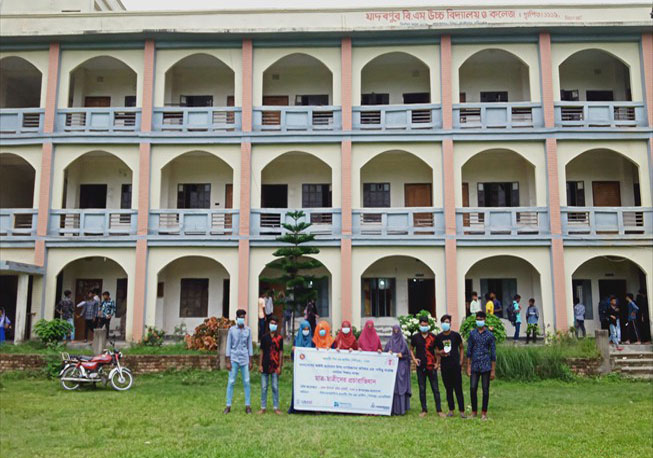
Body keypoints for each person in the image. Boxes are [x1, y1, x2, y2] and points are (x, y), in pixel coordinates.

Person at [409, 316, 444, 418]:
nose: (424, 327)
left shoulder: (433, 337)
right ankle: (424, 409)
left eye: (425, 325)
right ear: (419, 325)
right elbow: (411, 349)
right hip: (421, 367)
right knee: (422, 388)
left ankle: (439, 410)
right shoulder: (415, 337)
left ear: (428, 325)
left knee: (435, 389)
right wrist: (414, 360)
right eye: (422, 325)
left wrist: (438, 363)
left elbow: (438, 351)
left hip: (432, 366)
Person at [466, 311, 496, 420]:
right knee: (473, 388)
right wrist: (468, 366)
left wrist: (493, 370)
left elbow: (493, 353)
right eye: (477, 319)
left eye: (481, 319)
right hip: (474, 365)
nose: (479, 321)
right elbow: (468, 351)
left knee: (485, 389)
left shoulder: (490, 335)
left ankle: (484, 412)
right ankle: (474, 411)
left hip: (486, 365)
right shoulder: (472, 334)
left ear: (485, 320)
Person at [435, 314, 465, 418]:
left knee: (458, 388)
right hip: (445, 366)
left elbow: (461, 348)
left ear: (450, 323)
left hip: (455, 365)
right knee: (448, 389)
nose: (445, 324)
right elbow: (436, 351)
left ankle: (462, 410)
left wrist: (461, 360)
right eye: (443, 322)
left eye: (447, 322)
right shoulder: (439, 337)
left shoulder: (455, 335)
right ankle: (451, 410)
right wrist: (440, 352)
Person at [224, 309, 254, 414]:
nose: (242, 319)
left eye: (243, 317)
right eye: (240, 317)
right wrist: (227, 361)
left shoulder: (248, 330)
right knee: (231, 381)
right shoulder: (232, 330)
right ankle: (228, 405)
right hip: (234, 358)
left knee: (246, 381)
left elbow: (250, 345)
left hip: (245, 358)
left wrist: (251, 360)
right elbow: (228, 345)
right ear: (236, 318)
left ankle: (248, 405)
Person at [288, 320, 314, 414]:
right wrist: (293, 351)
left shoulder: (312, 341)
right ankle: (296, 407)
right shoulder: (296, 340)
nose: (306, 331)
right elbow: (292, 357)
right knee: (298, 387)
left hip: (309, 370)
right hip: (299, 370)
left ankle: (309, 408)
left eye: (307, 329)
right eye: (304, 329)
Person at [259, 316, 283, 415]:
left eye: (274, 323)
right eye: (271, 323)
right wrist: (260, 365)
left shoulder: (280, 338)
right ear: (269, 325)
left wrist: (280, 366)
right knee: (264, 387)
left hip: (275, 365)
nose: (273, 325)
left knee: (275, 387)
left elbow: (281, 352)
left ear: (277, 325)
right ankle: (263, 407)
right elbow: (261, 351)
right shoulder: (264, 337)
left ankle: (276, 407)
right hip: (265, 365)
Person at [385, 324, 411, 416]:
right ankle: (393, 409)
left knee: (401, 387)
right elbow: (385, 353)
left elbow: (408, 356)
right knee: (393, 387)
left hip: (401, 367)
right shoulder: (390, 342)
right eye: (394, 331)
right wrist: (389, 353)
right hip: (392, 368)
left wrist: (402, 355)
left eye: (397, 331)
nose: (396, 333)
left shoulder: (403, 342)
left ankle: (402, 409)